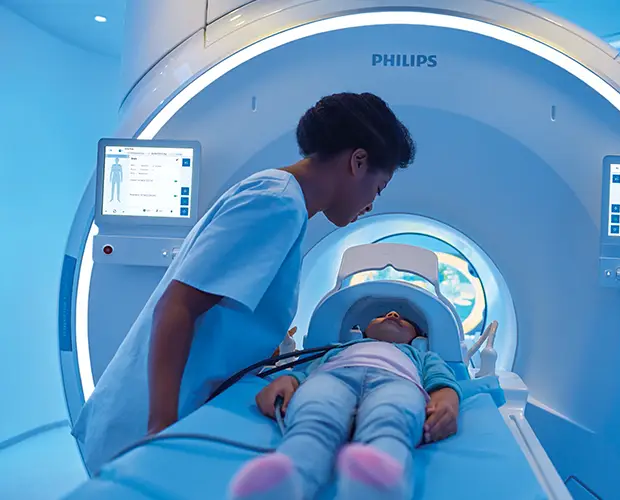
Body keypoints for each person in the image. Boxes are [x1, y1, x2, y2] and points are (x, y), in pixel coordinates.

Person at [71, 92, 416, 473]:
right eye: (378, 188)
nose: (371, 204)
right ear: (358, 161)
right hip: (148, 419)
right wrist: (161, 428)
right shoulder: (277, 204)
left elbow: (224, 311)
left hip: (172, 404)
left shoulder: (280, 197)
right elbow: (177, 306)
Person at [227, 311, 462, 500]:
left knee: (392, 415)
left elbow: (442, 379)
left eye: (404, 320)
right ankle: (287, 476)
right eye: (382, 315)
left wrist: (447, 398)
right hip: (333, 376)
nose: (392, 314)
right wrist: (287, 380)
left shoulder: (421, 355)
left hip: (398, 381)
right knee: (315, 412)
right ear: (361, 332)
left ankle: (379, 478)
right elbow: (307, 373)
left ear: (418, 339)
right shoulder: (338, 349)